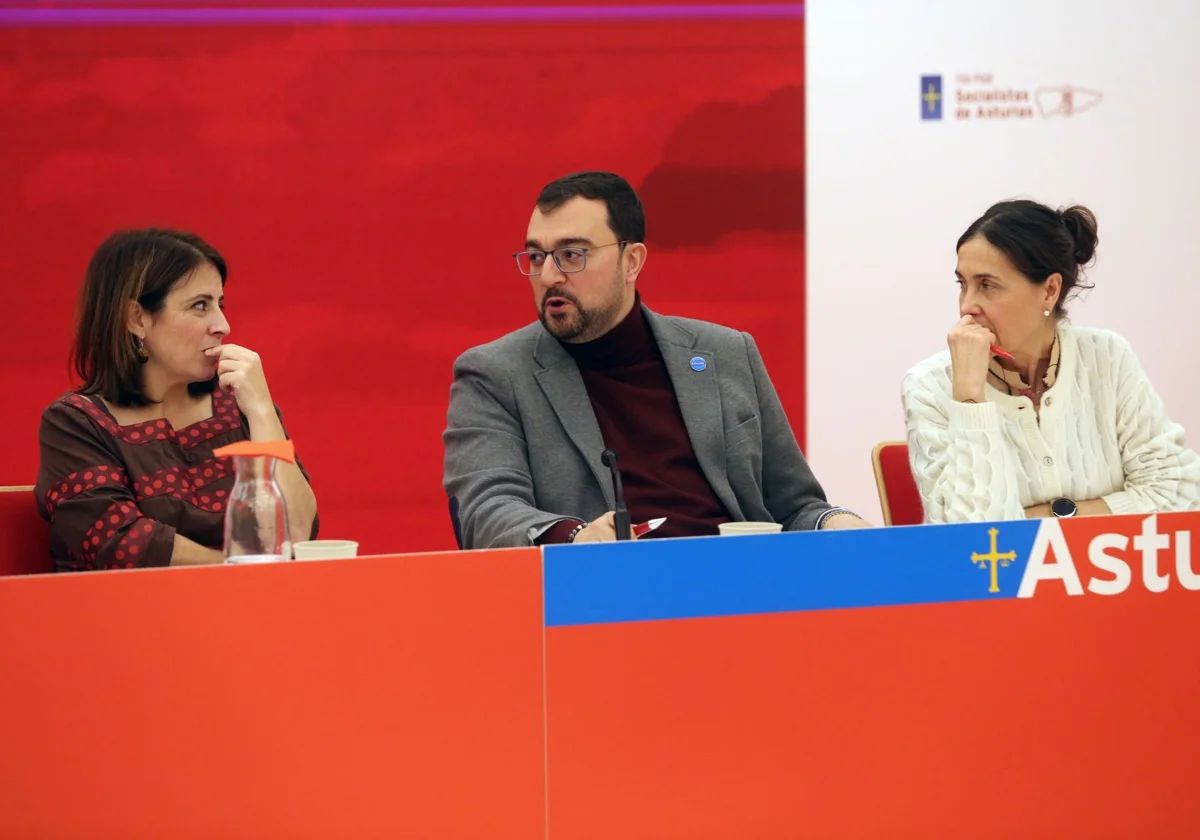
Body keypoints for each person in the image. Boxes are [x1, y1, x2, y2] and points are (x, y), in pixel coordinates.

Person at [443, 171, 866, 549]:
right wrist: (576, 536)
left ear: (632, 261)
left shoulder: (726, 353)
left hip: (742, 590)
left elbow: (794, 506)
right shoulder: (495, 374)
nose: (550, 275)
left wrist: (835, 522)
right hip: (604, 605)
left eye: (573, 255)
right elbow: (486, 512)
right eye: (537, 257)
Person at [35, 229, 318, 571]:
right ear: (136, 319)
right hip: (132, 617)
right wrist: (240, 572)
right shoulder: (76, 423)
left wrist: (261, 411)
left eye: (220, 304)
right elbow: (122, 544)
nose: (223, 325)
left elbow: (301, 534)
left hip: (249, 611)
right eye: (200, 305)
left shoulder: (238, 407)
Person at [903, 199, 1200, 523]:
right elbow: (967, 540)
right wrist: (970, 399)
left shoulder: (1107, 357)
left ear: (1049, 290)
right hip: (999, 575)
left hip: (1112, 568)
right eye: (963, 284)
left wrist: (1051, 518)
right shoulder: (930, 386)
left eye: (987, 285)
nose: (966, 306)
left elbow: (1178, 494)